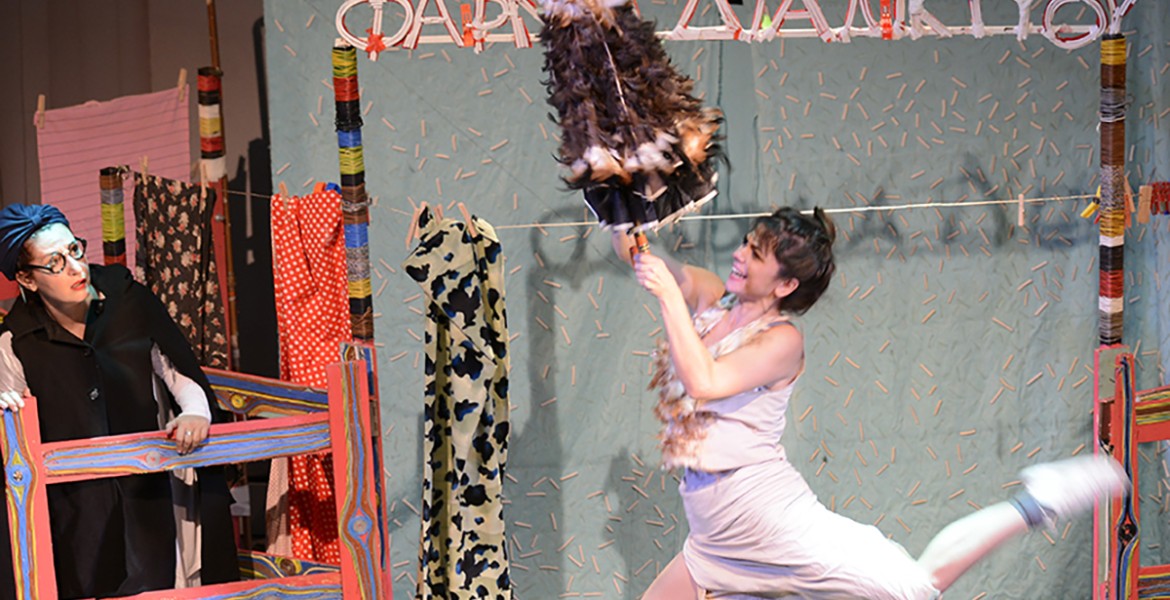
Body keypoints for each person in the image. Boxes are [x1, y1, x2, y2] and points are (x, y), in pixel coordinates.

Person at [613, 207, 1129, 599]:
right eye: (747, 243)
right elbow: (639, 256)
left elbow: (703, 380)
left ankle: (1037, 502)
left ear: (787, 283)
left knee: (916, 587)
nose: (740, 256)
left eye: (756, 255)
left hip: (763, 514)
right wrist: (618, 202)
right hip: (711, 526)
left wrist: (668, 297)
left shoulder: (782, 341)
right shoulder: (711, 296)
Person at [0, 203, 238, 598]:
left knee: (157, 576)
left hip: (147, 484)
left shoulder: (127, 300)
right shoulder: (17, 340)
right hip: (76, 501)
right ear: (27, 278)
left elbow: (175, 369)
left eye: (74, 250)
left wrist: (195, 412)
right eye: (55, 263)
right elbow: (9, 411)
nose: (75, 268)